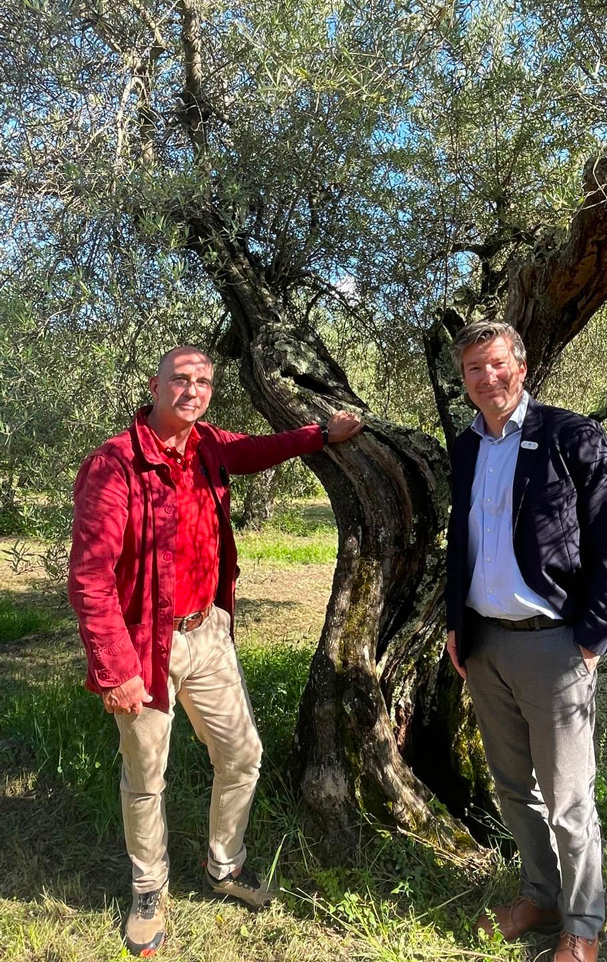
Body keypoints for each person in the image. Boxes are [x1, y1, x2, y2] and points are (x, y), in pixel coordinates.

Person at [68, 346, 363, 956]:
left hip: (209, 635)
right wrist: (114, 669)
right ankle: (148, 891)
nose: (193, 390)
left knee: (242, 755)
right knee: (146, 776)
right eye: (181, 380)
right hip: (143, 646)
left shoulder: (207, 446)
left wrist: (319, 435)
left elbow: (259, 448)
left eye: (203, 381)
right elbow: (90, 578)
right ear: (154, 387)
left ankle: (223, 865)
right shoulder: (115, 464)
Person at [444, 321, 607, 962]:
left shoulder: (571, 436)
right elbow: (461, 543)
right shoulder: (468, 447)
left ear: (521, 367)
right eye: (474, 369)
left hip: (556, 646)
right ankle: (540, 894)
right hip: (486, 645)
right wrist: (455, 624)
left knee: (569, 800)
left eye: (497, 364)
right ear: (465, 379)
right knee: (511, 786)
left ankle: (583, 928)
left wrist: (589, 639)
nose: (487, 378)